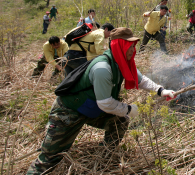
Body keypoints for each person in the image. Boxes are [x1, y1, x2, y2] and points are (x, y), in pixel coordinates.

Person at [26, 27, 176, 175]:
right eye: (130, 46)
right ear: (119, 46)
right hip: (69, 112)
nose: (133, 49)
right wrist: (130, 109)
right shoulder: (102, 68)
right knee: (49, 158)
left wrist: (161, 91)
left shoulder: (122, 62)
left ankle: (106, 154)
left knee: (120, 121)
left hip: (92, 108)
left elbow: (141, 80)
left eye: (134, 45)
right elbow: (105, 103)